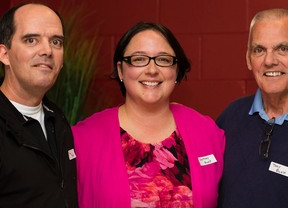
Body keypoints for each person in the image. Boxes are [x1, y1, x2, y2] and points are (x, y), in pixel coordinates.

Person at [72, 21, 225, 208]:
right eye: (138, 59)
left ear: (176, 70)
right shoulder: (84, 138)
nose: (152, 70)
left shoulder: (207, 131)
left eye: (163, 60)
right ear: (121, 70)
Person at [0, 2, 78, 208]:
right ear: (4, 54)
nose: (47, 50)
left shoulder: (57, 119)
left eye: (56, 42)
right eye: (31, 40)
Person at [217, 8, 288, 208]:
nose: (270, 60)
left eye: (282, 48)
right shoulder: (230, 117)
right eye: (259, 50)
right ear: (249, 59)